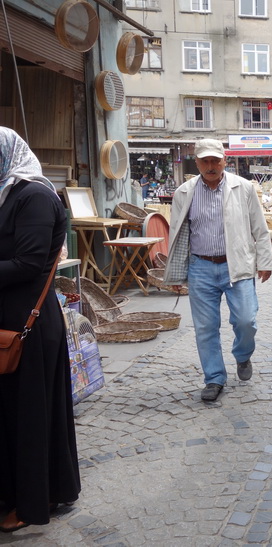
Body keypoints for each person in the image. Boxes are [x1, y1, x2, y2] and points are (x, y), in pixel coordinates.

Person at [0, 127, 81, 532]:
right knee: (15, 414)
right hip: (11, 321)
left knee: (29, 416)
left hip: (27, 326)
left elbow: (29, 264)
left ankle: (34, 500)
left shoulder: (32, 195)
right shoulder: (8, 193)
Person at [164, 139, 272, 402]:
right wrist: (176, 273)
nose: (211, 166)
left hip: (237, 263)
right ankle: (214, 378)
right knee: (205, 327)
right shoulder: (183, 192)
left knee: (246, 320)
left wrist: (265, 261)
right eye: (205, 161)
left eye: (216, 160)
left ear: (225, 160)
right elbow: (178, 234)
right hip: (200, 267)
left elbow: (259, 227)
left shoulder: (243, 187)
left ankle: (242, 355)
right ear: (197, 162)